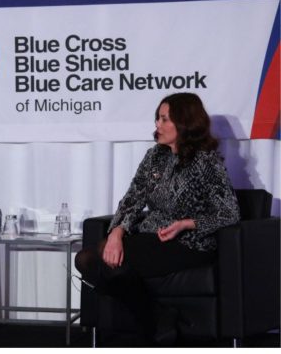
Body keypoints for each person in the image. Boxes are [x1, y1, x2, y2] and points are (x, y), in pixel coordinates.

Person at [75, 92, 240, 343]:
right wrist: (116, 233)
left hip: (190, 243)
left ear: (184, 123)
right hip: (152, 235)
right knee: (87, 259)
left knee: (103, 262)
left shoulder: (205, 161)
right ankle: (157, 316)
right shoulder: (155, 157)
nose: (157, 125)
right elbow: (131, 199)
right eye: (157, 119)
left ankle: (152, 322)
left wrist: (187, 223)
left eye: (164, 120)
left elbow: (230, 212)